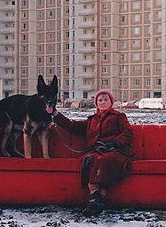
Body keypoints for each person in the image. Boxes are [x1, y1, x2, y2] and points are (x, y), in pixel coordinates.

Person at [52, 88, 133, 216]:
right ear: (96, 103)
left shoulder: (119, 117)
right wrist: (56, 114)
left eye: (106, 99)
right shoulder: (92, 120)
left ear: (111, 102)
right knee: (90, 159)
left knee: (106, 159)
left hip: (116, 151)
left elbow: (127, 132)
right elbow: (72, 126)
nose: (103, 102)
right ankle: (96, 198)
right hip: (97, 151)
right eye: (100, 100)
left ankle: (96, 199)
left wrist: (113, 144)